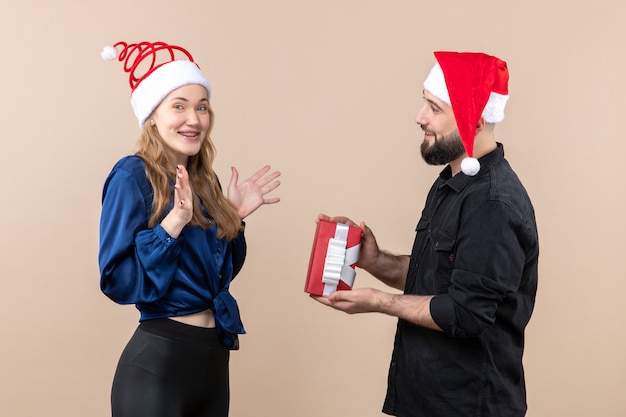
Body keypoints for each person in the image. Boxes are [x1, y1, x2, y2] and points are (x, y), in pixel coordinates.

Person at [312, 51, 539, 417]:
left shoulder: (493, 204)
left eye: (434, 108)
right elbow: (443, 278)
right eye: (424, 104)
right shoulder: (453, 183)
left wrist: (379, 302)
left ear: (475, 120)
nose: (420, 118)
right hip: (425, 399)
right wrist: (374, 260)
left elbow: (466, 312)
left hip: (468, 406)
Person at [98, 41, 281, 417]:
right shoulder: (131, 176)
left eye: (202, 107)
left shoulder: (204, 179)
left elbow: (212, 275)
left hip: (212, 363)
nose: (194, 119)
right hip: (157, 366)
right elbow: (116, 280)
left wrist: (232, 217)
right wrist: (172, 225)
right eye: (178, 106)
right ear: (152, 115)